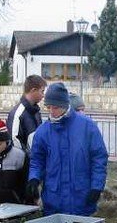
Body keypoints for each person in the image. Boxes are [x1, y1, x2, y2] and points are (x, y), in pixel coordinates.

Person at [26, 82, 108, 216]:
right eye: (48, 107)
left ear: (65, 105)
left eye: (56, 107)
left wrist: (97, 187)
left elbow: (99, 159)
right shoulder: (42, 132)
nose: (52, 111)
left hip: (81, 198)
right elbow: (37, 161)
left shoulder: (87, 127)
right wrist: (34, 178)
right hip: (53, 201)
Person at [6, 74, 46, 152]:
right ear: (33, 90)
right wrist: (28, 160)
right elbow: (15, 141)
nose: (43, 95)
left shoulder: (36, 112)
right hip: (26, 162)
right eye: (42, 91)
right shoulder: (18, 113)